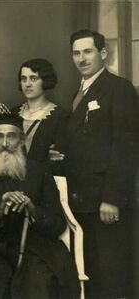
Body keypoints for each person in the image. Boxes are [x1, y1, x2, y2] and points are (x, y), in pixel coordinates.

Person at [51, 29, 138, 298]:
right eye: (76, 53)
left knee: (113, 275)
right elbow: (86, 145)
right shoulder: (78, 91)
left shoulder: (118, 88)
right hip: (83, 200)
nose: (81, 58)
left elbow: (126, 147)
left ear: (103, 54)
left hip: (106, 201)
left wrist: (112, 198)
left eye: (88, 51)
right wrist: (60, 157)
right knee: (94, 273)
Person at [0, 113, 79, 299]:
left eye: (11, 136)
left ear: (21, 140)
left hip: (35, 248)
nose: (5, 143)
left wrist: (32, 210)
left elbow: (58, 225)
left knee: (38, 284)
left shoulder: (39, 172)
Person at [11, 58, 69, 163]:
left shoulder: (60, 117)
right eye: (24, 79)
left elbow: (59, 157)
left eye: (33, 78)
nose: (27, 84)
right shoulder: (12, 114)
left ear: (45, 81)